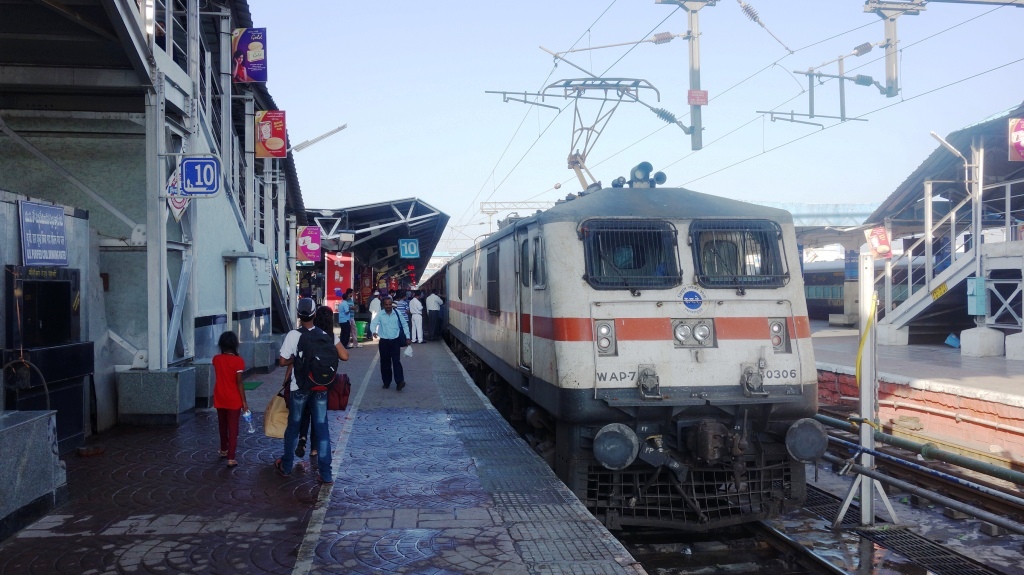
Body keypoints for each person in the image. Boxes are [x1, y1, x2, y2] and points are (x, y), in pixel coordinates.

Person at [276, 298, 348, 483]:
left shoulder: (293, 335)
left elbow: (282, 361)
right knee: (322, 428)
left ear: (298, 315)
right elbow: (344, 356)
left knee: (293, 427)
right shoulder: (325, 334)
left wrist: (297, 359)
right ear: (314, 314)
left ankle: (286, 466)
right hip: (321, 387)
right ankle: (326, 474)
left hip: (299, 387)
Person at [294, 305, 339, 461]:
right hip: (324, 382)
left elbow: (295, 360)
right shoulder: (331, 337)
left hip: (306, 380)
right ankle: (315, 448)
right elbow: (345, 356)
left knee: (305, 411)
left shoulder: (308, 335)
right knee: (319, 416)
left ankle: (302, 438)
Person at [213, 331, 248, 468]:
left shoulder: (216, 359)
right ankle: (231, 457)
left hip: (220, 396)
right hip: (233, 398)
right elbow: (239, 382)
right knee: (233, 428)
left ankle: (224, 449)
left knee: (222, 425)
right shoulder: (238, 361)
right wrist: (244, 402)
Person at [369, 295, 411, 391]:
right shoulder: (380, 314)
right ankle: (386, 382)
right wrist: (374, 332)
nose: (388, 306)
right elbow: (373, 324)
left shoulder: (397, 313)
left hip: (395, 341)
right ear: (383, 305)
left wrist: (408, 337)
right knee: (385, 363)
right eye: (386, 304)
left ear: (392, 304)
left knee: (396, 361)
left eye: (389, 304)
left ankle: (399, 382)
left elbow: (405, 324)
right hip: (384, 342)